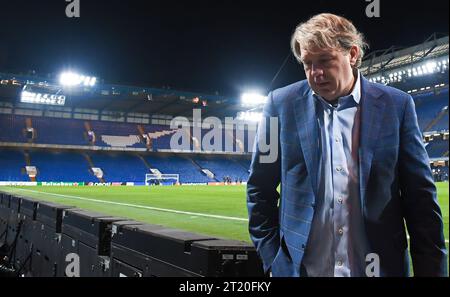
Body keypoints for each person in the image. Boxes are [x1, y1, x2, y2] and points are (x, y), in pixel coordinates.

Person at [247, 13, 447, 277]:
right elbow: (259, 188)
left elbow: (420, 202)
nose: (316, 74)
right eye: (308, 64)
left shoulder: (397, 106)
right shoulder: (279, 106)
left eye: (325, 61)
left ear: (352, 55)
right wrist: (274, 260)